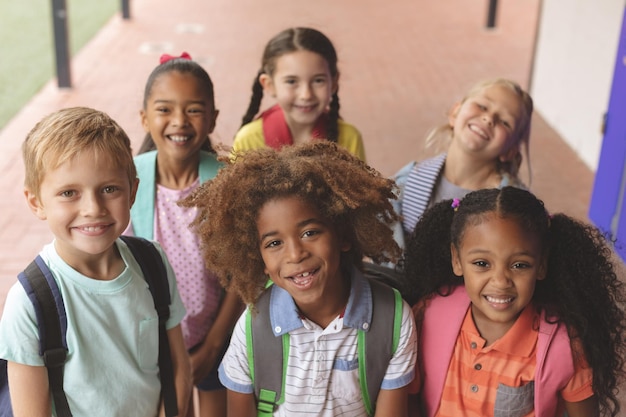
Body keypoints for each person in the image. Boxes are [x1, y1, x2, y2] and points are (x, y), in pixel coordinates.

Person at [180, 141, 417, 416]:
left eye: (310, 233)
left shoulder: (392, 320)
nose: (295, 254)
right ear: (260, 261)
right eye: (273, 243)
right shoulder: (253, 327)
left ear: (341, 235)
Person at [0, 107, 191, 416]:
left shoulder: (153, 263)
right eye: (69, 193)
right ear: (37, 202)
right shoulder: (30, 303)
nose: (93, 208)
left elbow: (178, 367)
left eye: (109, 189)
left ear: (132, 192)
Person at [404, 187, 626, 417]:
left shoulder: (562, 346)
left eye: (520, 265)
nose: (501, 282)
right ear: (456, 259)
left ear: (541, 264)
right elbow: (409, 398)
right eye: (481, 263)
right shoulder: (429, 314)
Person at [127, 53, 242, 417]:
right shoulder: (128, 182)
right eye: (164, 109)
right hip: (152, 344)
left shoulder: (226, 181)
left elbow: (241, 271)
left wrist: (213, 344)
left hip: (215, 334)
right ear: (144, 117)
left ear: (212, 118)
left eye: (193, 109)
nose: (179, 121)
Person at [392, 78, 533, 252]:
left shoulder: (516, 208)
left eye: (505, 122)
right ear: (455, 113)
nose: (489, 118)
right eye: (482, 106)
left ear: (510, 150)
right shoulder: (409, 181)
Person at [231, 27, 366, 161]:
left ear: (334, 82)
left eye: (318, 80)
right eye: (291, 81)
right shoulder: (248, 140)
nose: (306, 95)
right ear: (269, 85)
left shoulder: (349, 138)